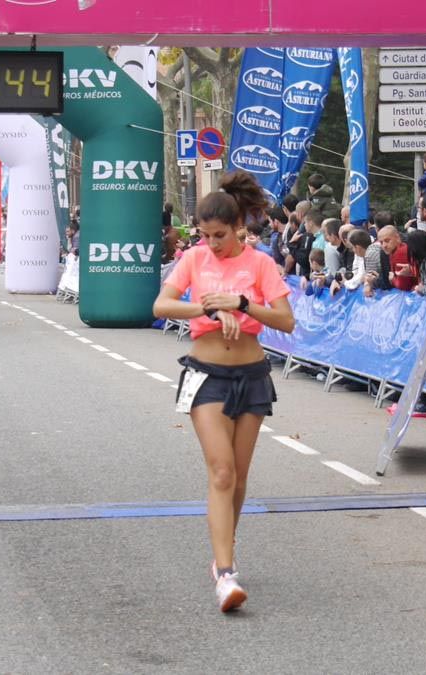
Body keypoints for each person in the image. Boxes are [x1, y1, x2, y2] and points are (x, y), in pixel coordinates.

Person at [152, 170, 295, 613]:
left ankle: (223, 550)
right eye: (205, 235)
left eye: (219, 235)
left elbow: (286, 321)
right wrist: (209, 306)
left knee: (238, 475)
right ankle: (226, 572)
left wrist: (243, 304)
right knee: (221, 472)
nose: (212, 244)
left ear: (238, 228)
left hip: (252, 374)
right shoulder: (194, 259)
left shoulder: (260, 264)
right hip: (205, 374)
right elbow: (161, 305)